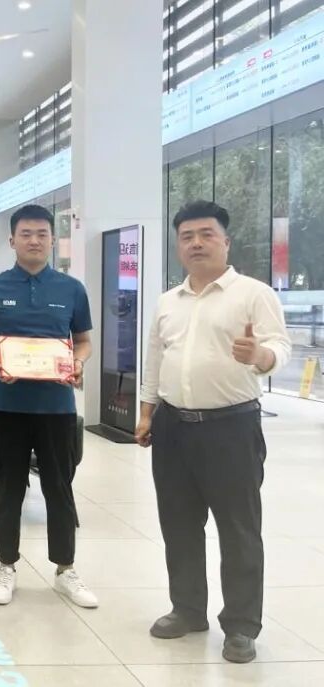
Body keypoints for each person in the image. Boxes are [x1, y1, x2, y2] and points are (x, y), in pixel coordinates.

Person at [136, 200, 291, 664]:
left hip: (231, 427)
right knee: (179, 523)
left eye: (206, 234)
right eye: (187, 236)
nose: (197, 243)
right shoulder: (168, 301)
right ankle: (187, 610)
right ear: (178, 245)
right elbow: (155, 360)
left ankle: (241, 626)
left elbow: (279, 346)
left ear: (226, 241)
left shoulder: (254, 294)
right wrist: (146, 413)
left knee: (238, 528)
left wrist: (260, 356)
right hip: (173, 427)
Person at [0, 203, 97, 609]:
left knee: (59, 488)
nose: (34, 240)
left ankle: (65, 569)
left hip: (57, 408)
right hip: (8, 406)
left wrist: (78, 362)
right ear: (12, 240)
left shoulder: (71, 289)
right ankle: (6, 566)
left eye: (42, 234)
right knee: (9, 489)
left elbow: (83, 341)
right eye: (26, 234)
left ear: (53, 239)